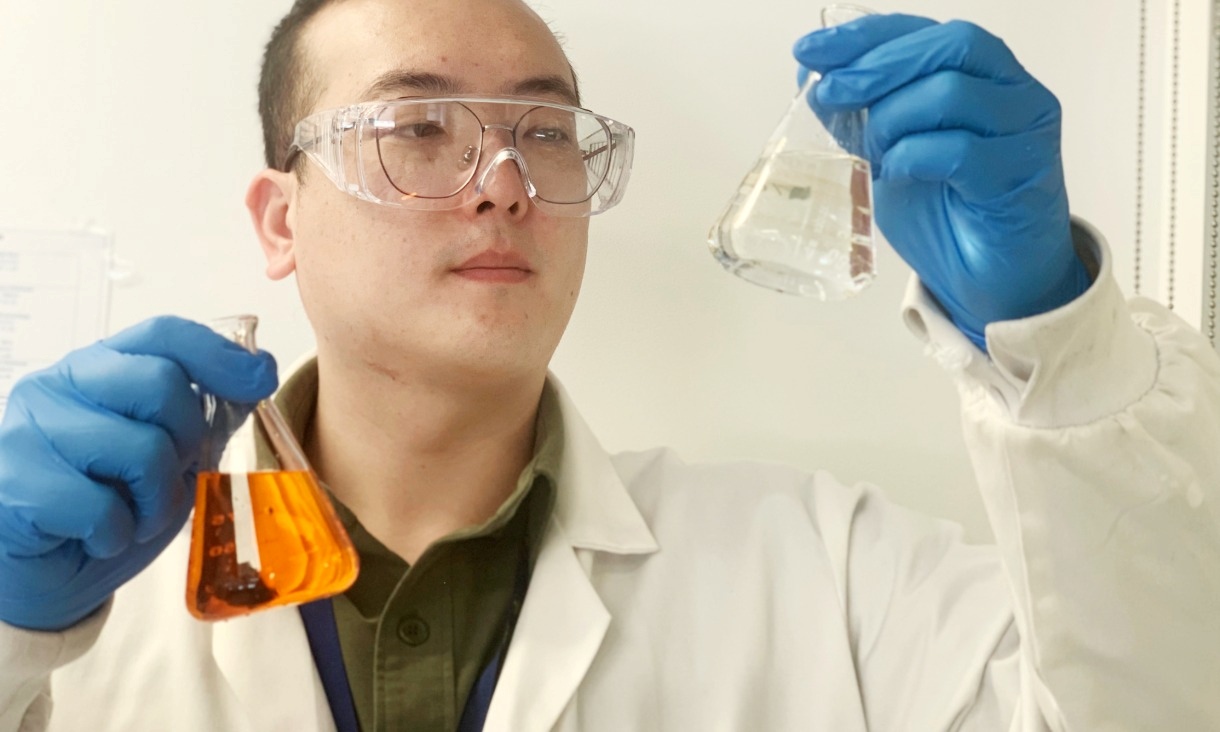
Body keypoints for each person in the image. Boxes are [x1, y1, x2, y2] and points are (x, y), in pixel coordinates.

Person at [0, 0, 1216, 729]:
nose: (503, 182)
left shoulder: (827, 574)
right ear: (280, 220)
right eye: (418, 127)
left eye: (544, 131)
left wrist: (1060, 341)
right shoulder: (95, 596)